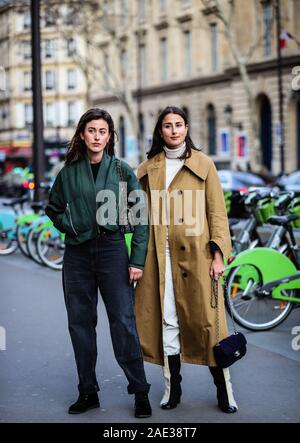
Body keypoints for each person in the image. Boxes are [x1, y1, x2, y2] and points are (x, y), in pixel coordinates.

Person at [45, 108, 151, 418]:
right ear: (82, 134)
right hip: (77, 255)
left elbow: (140, 217)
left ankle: (140, 391)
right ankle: (87, 392)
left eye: (102, 131)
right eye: (91, 130)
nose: (96, 136)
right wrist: (72, 225)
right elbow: (53, 209)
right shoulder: (67, 174)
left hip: (112, 251)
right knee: (80, 325)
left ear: (109, 137)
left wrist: (137, 260)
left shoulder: (121, 170)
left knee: (123, 322)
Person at [135, 106, 238, 413]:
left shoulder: (204, 164)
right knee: (167, 322)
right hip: (159, 257)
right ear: (160, 131)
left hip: (197, 257)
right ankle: (171, 388)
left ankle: (225, 389)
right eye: (168, 125)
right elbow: (139, 217)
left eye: (179, 124)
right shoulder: (147, 168)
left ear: (187, 127)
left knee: (208, 324)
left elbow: (217, 213)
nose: (174, 130)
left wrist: (219, 254)